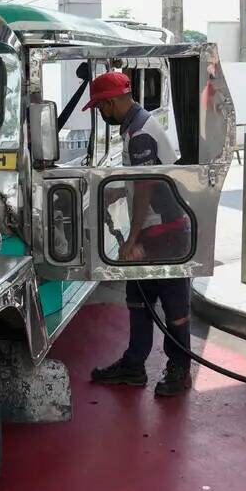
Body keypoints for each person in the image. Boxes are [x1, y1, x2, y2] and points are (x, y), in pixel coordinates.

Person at [84, 70, 195, 397]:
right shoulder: (135, 126)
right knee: (138, 301)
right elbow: (138, 183)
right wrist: (115, 194)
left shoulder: (141, 132)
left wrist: (132, 240)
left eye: (101, 107)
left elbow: (147, 187)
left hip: (166, 232)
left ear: (114, 100)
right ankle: (134, 366)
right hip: (153, 228)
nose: (101, 113)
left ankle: (179, 369)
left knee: (175, 308)